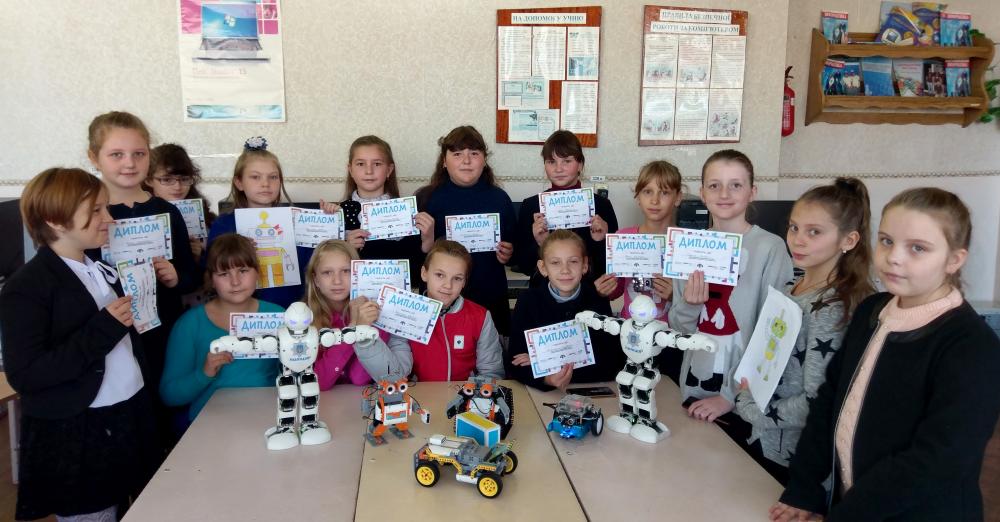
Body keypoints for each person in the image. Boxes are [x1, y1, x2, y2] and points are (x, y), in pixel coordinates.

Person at [772, 188, 1000, 521]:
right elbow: (828, 402)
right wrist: (803, 490)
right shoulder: (871, 311)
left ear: (954, 259)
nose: (894, 257)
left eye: (917, 248)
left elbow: (936, 462)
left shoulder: (973, 347)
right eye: (887, 241)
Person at [1, 167, 157, 520]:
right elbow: (26, 374)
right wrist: (103, 328)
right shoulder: (27, 287)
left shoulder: (97, 267)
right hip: (81, 430)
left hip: (128, 414)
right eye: (97, 210)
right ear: (56, 220)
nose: (109, 218)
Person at [733, 178, 875, 485]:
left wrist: (749, 408)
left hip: (796, 458)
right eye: (794, 228)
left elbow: (816, 401)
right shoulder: (792, 286)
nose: (798, 240)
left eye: (814, 232)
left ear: (849, 240)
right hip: (768, 440)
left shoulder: (831, 308)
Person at [85, 110, 198, 452]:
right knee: (125, 420)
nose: (130, 163)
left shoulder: (167, 210)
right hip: (114, 335)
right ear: (94, 157)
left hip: (163, 331)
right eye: (116, 154)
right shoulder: (89, 215)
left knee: (163, 411)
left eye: (139, 153)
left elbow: (191, 275)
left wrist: (176, 277)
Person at [669, 150, 794, 442]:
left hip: (742, 400)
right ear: (702, 193)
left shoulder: (770, 248)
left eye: (735, 185)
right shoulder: (689, 248)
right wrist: (690, 305)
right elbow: (679, 330)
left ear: (752, 192)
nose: (724, 194)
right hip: (694, 391)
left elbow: (774, 334)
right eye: (715, 185)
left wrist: (730, 396)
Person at [160, 234, 282, 428]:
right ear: (211, 279)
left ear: (257, 273)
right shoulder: (190, 324)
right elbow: (169, 395)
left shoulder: (280, 316)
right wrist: (204, 373)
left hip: (270, 419)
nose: (235, 282)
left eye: (243, 271)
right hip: (211, 426)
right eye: (224, 274)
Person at [205, 136, 339, 308]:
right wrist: (239, 252)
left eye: (273, 177)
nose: (265, 184)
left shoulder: (298, 222)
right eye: (255, 177)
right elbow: (211, 275)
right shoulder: (224, 225)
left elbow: (321, 263)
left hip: (295, 309)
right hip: (244, 312)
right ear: (239, 182)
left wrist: (331, 224)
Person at [415, 126, 516, 336]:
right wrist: (427, 242)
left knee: (491, 352)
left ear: (484, 160)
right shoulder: (425, 199)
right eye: (457, 154)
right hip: (443, 299)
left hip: (489, 294)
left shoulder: (500, 199)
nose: (466, 161)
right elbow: (415, 263)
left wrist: (509, 253)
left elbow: (516, 248)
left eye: (474, 153)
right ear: (444, 161)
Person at [508, 230, 624, 390]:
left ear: (585, 265)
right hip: (541, 395)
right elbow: (515, 363)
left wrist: (543, 362)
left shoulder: (597, 300)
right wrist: (548, 379)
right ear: (543, 267)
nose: (565, 270)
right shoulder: (528, 301)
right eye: (555, 262)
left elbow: (610, 363)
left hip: (588, 393)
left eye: (573, 261)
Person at [513, 130, 617, 287]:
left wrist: (600, 241)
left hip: (590, 293)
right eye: (551, 162)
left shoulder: (602, 206)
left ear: (580, 164)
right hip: (544, 295)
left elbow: (612, 269)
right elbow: (524, 266)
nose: (558, 169)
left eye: (567, 161)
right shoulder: (531, 206)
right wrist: (540, 243)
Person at [302, 239, 413, 388]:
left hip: (365, 399)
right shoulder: (302, 318)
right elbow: (318, 382)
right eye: (327, 272)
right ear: (316, 279)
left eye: (346, 271)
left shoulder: (372, 314)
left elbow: (359, 378)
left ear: (358, 274)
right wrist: (353, 328)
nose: (337, 281)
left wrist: (366, 327)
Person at [339, 135, 434, 284]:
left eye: (377, 164)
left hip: (399, 294)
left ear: (389, 170)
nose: (369, 171)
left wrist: (428, 239)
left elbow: (419, 268)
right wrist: (348, 250)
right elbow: (330, 272)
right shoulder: (339, 213)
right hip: (357, 296)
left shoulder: (407, 212)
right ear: (350, 170)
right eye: (360, 164)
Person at [408, 240, 504, 381]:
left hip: (465, 393)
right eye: (440, 275)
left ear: (464, 282)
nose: (448, 285)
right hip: (417, 393)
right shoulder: (406, 313)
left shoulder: (480, 316)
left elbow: (492, 372)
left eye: (457, 278)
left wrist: (468, 393)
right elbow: (394, 372)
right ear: (424, 273)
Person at [145, 143, 217, 263]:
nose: (177, 187)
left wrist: (200, 256)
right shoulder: (140, 217)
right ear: (149, 180)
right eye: (167, 179)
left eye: (184, 179)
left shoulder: (205, 220)